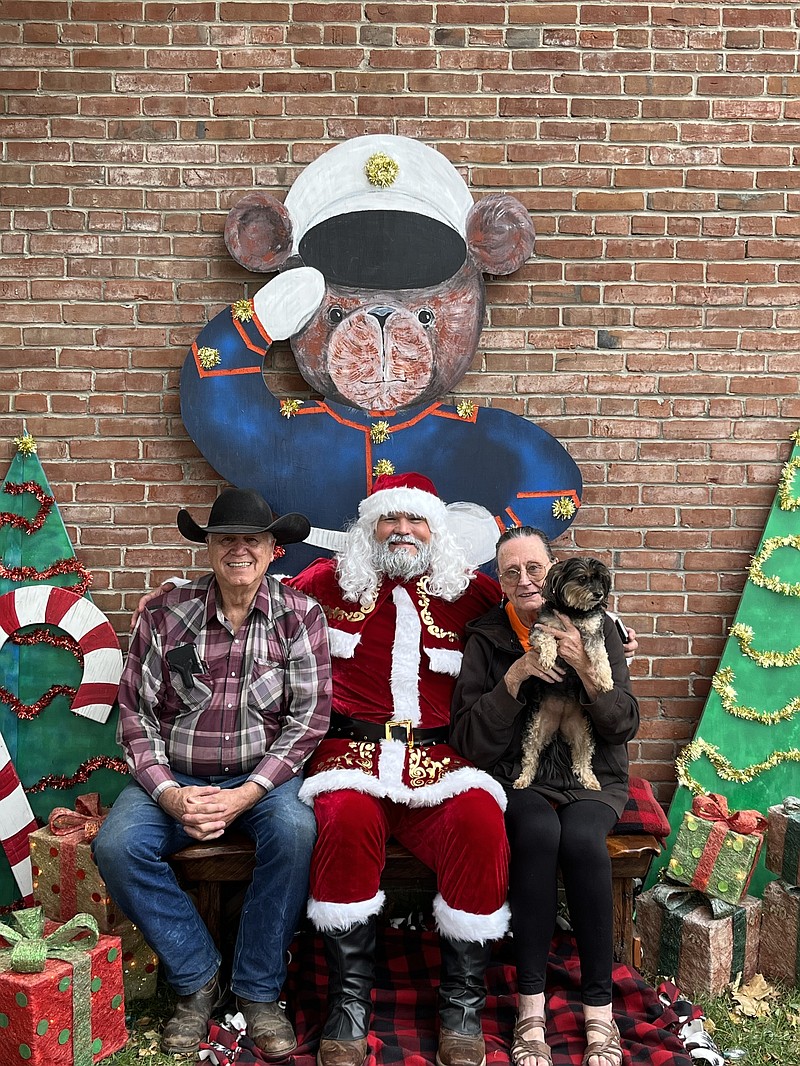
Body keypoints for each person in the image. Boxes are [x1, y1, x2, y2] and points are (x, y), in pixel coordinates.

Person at [94, 488, 332, 1058]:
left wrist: (247, 795)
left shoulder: (301, 616)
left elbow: (309, 718)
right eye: (226, 539)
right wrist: (171, 795)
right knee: (117, 846)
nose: (238, 550)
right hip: (175, 776)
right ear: (208, 548)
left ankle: (256, 991)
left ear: (275, 549)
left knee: (297, 833)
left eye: (251, 539)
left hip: (263, 780)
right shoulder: (164, 613)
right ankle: (197, 978)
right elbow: (135, 714)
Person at [285, 472, 511, 1066]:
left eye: (416, 521)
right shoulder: (323, 584)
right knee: (344, 817)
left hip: (441, 760)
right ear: (370, 527)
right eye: (391, 518)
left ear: (436, 531)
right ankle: (349, 1004)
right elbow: (259, 611)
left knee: (481, 819)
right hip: (350, 757)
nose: (403, 531)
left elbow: (538, 623)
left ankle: (462, 1004)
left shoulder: (474, 592)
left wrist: (608, 636)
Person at [450, 526, 639, 1066]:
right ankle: (529, 1008)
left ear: (554, 570)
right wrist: (512, 680)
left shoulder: (601, 626)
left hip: (593, 773)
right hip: (520, 774)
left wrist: (584, 664)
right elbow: (469, 738)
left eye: (534, 567)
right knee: (536, 832)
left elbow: (624, 724)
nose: (525, 580)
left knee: (582, 842)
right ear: (500, 583)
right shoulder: (486, 637)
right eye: (511, 572)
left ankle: (598, 1011)